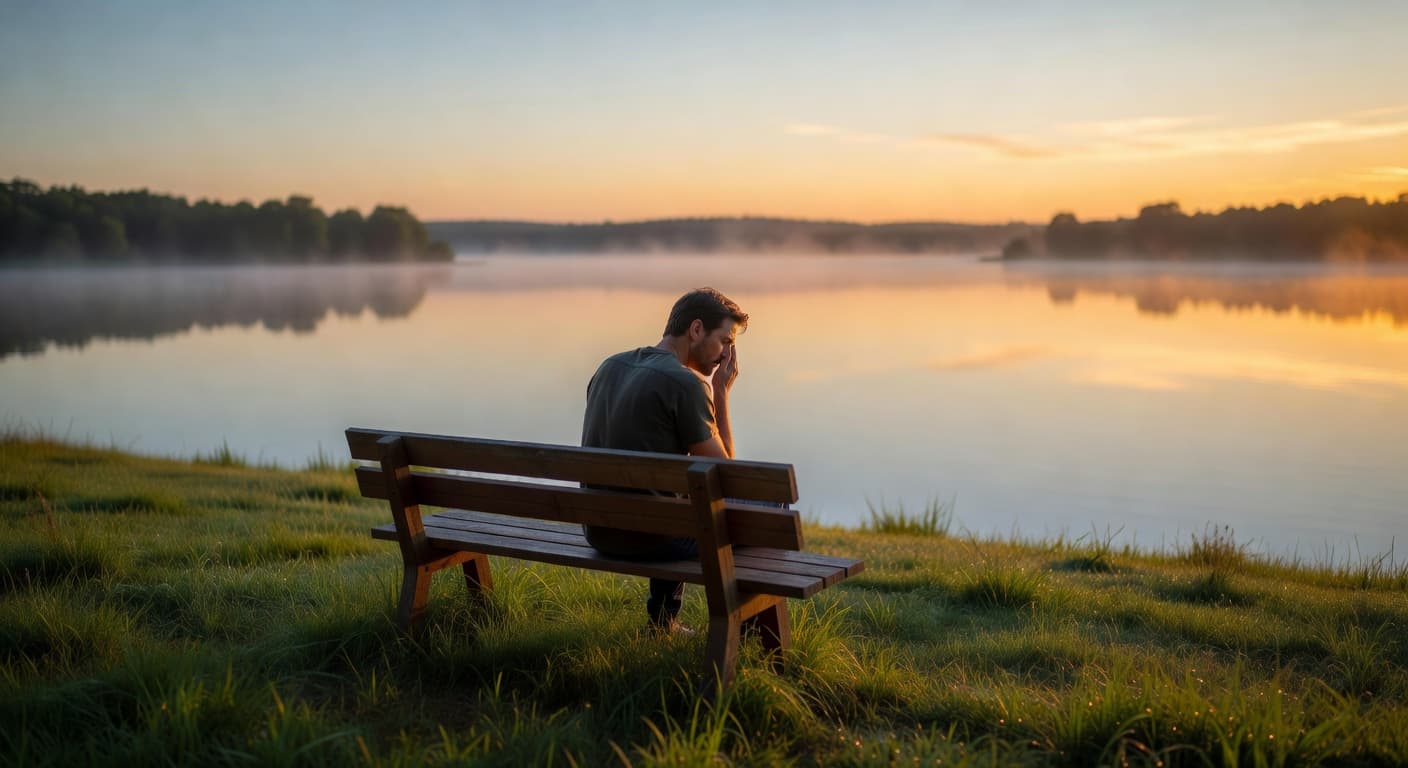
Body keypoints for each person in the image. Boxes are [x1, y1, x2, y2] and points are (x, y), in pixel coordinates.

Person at [580, 287, 747, 633]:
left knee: (674, 499)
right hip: (652, 540)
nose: (727, 355)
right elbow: (726, 475)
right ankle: (749, 629)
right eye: (725, 341)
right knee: (766, 507)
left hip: (598, 530)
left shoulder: (609, 367)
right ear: (696, 329)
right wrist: (720, 393)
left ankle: (664, 622)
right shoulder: (685, 384)